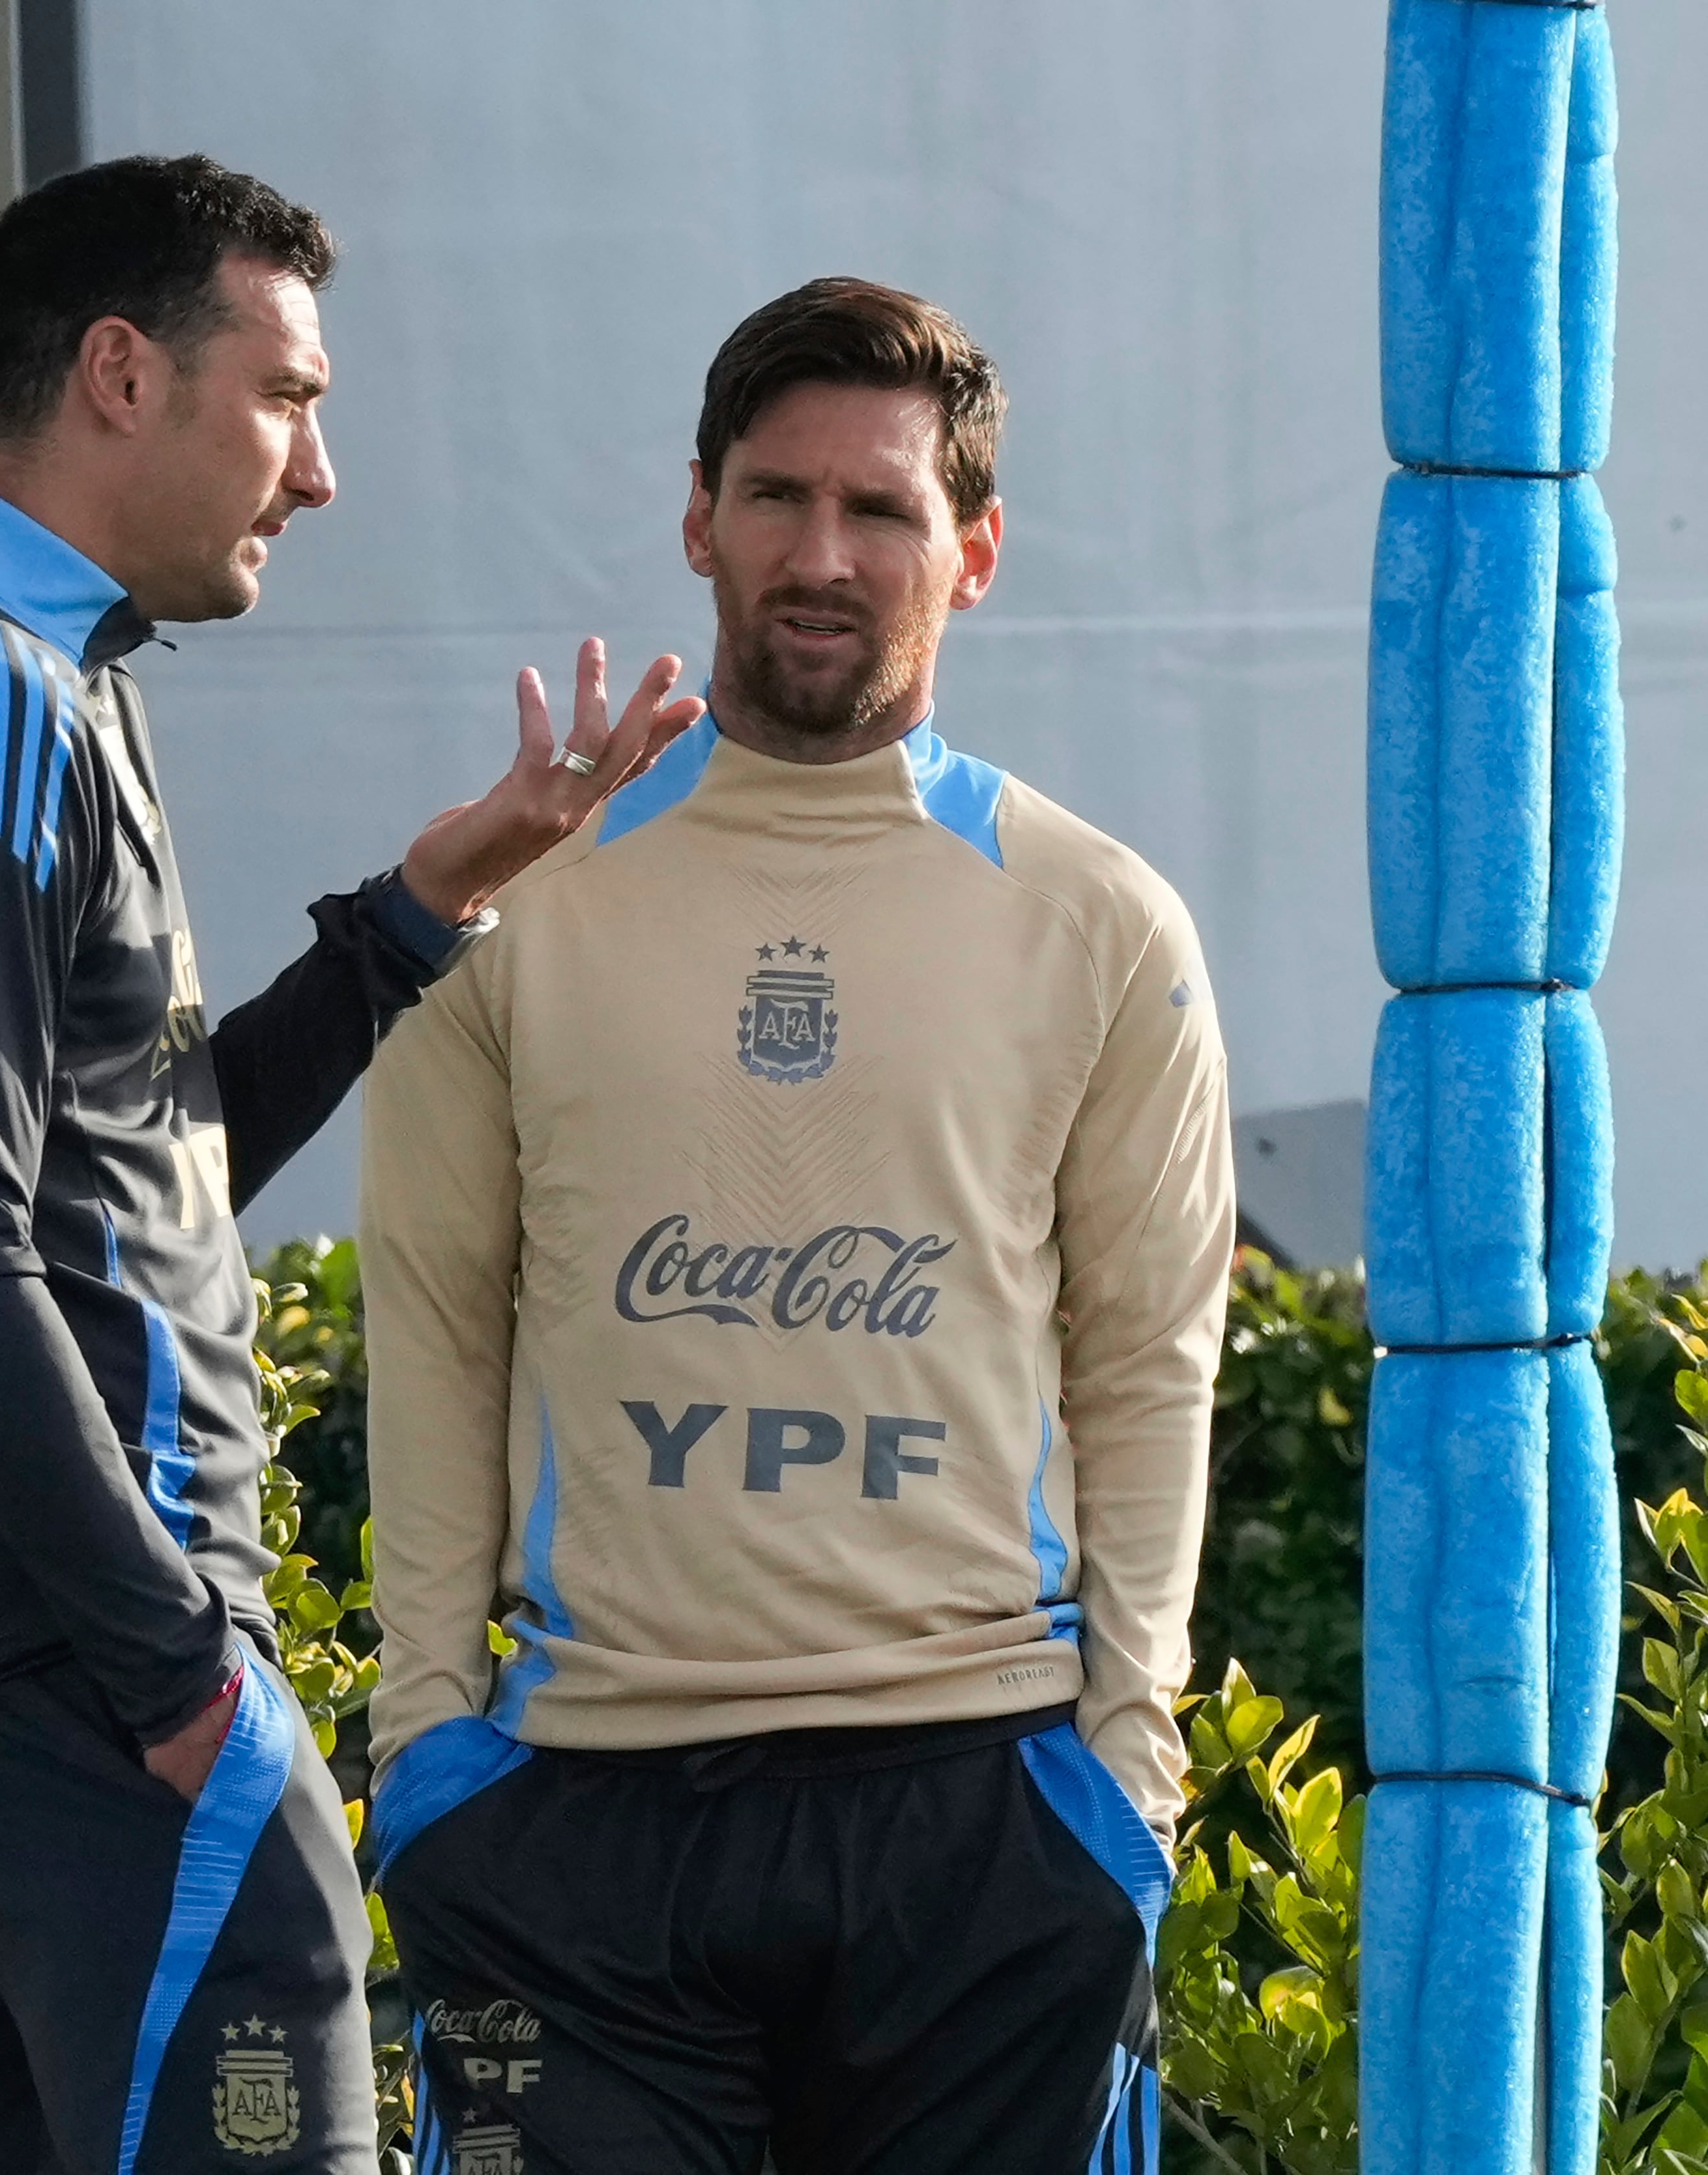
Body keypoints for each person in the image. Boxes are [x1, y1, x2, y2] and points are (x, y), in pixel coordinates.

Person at [0, 153, 697, 2175]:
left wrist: (415, 914)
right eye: (288, 395)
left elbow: (131, 1169)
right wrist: (183, 1672)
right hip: (86, 1683)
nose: (320, 470)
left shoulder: (1, 681)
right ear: (117, 373)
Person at [360, 277, 1235, 2175]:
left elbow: (1152, 1363)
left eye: (884, 509)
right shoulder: (519, 897)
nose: (820, 555)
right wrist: (423, 1745)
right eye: (776, 498)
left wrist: (1126, 1769)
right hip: (572, 1824)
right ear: (698, 518)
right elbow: (428, 1320)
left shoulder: (1100, 921)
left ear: (975, 552)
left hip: (981, 1807)